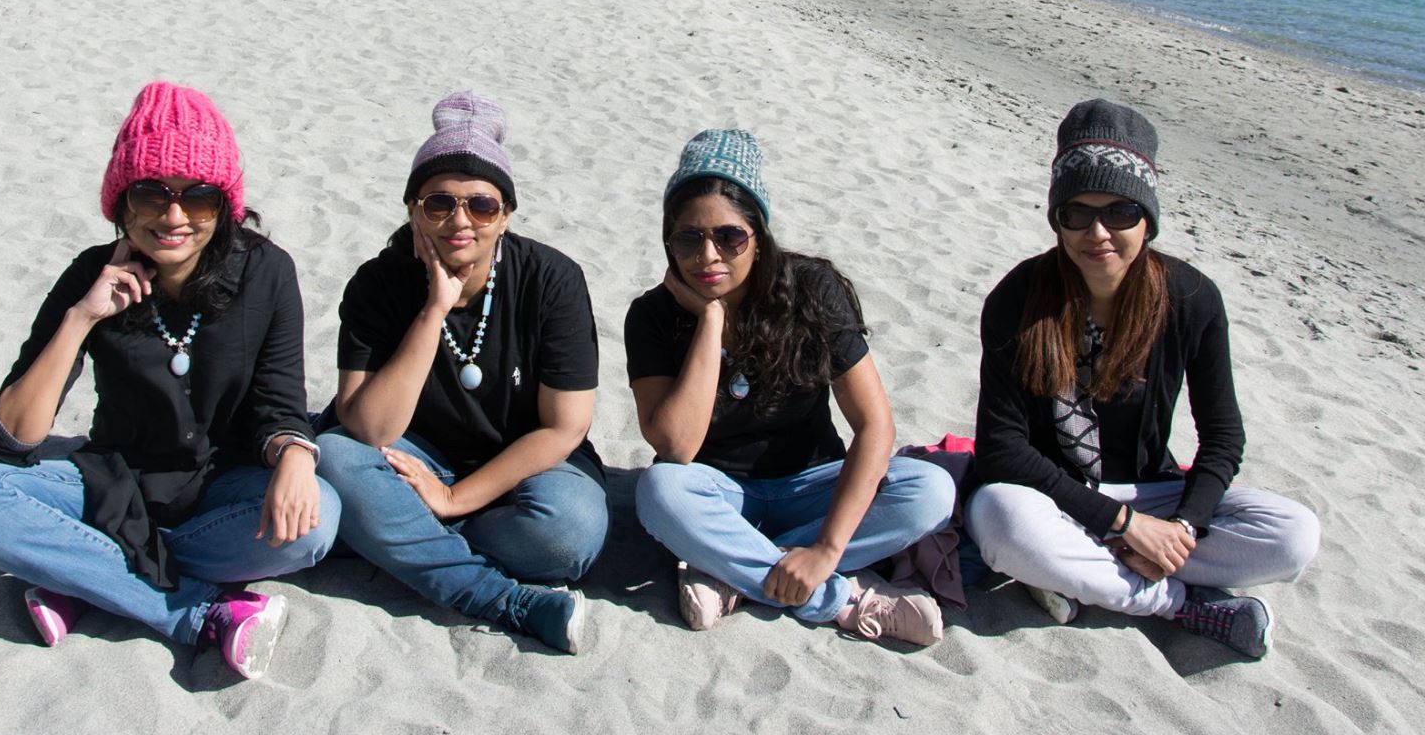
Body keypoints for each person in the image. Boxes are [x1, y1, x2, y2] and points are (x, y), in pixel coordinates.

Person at [0, 82, 337, 680]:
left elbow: (280, 402)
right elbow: (12, 441)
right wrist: (82, 319)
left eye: (197, 197)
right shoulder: (90, 274)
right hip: (113, 483)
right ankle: (198, 612)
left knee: (317, 522)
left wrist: (297, 455)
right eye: (151, 196)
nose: (174, 217)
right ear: (121, 204)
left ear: (223, 204)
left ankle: (83, 577)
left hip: (222, 485)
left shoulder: (265, 271)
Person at [967, 99, 1320, 659]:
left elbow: (1224, 438)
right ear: (1056, 218)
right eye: (1076, 213)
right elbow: (1002, 449)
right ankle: (1180, 604)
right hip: (1054, 498)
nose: (1098, 232)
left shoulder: (1191, 299)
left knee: (1294, 535)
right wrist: (1124, 525)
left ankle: (1088, 575)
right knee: (999, 518)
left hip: (1152, 493)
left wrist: (1180, 528)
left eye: (1120, 212)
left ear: (1148, 219)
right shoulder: (1019, 298)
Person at [629, 129, 954, 645]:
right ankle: (843, 599)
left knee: (930, 489)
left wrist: (825, 549)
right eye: (689, 238)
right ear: (669, 240)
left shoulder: (811, 291)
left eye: (729, 237)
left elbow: (874, 427)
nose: (708, 255)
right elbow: (676, 446)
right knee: (661, 491)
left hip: (812, 486)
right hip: (719, 492)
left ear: (758, 235)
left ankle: (734, 569)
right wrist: (711, 322)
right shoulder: (652, 316)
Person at [315, 92, 608, 653]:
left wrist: (454, 500)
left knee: (568, 535)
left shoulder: (552, 280)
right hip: (410, 454)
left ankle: (395, 533)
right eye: (439, 202)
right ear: (412, 208)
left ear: (507, 215)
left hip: (523, 465)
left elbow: (565, 427)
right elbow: (369, 430)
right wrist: (432, 312)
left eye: (482, 206)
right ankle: (486, 590)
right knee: (334, 457)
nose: (460, 221)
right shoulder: (379, 283)